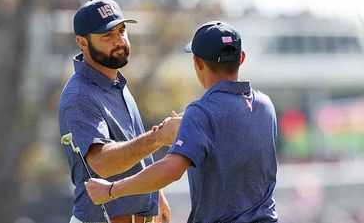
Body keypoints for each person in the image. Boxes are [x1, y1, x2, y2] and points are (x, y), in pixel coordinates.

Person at [85, 21, 279, 223]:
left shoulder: (201, 111)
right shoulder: (265, 105)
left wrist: (110, 190)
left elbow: (170, 170)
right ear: (241, 58)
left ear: (198, 62)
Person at [58, 0, 181, 223]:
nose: (119, 41)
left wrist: (156, 193)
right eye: (107, 35)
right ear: (82, 42)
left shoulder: (115, 83)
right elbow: (102, 163)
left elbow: (132, 147)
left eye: (121, 30)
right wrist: (159, 137)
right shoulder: (79, 95)